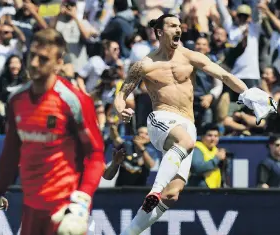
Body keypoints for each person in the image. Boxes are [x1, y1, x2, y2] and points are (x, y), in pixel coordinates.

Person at [114, 14, 275, 235]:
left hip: (187, 123)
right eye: (172, 25)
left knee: (172, 195)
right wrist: (120, 108)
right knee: (185, 143)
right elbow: (121, 94)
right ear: (160, 32)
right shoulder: (144, 65)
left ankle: (129, 232)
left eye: (179, 25)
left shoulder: (190, 56)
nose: (178, 29)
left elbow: (224, 75)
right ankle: (155, 189)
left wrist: (246, 92)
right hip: (160, 119)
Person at [0, 28, 105, 235]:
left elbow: (96, 154)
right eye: (32, 56)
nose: (35, 63)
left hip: (65, 210)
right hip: (31, 209)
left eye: (43, 59)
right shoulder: (16, 100)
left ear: (59, 62)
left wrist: (81, 203)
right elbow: (10, 155)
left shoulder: (74, 101)